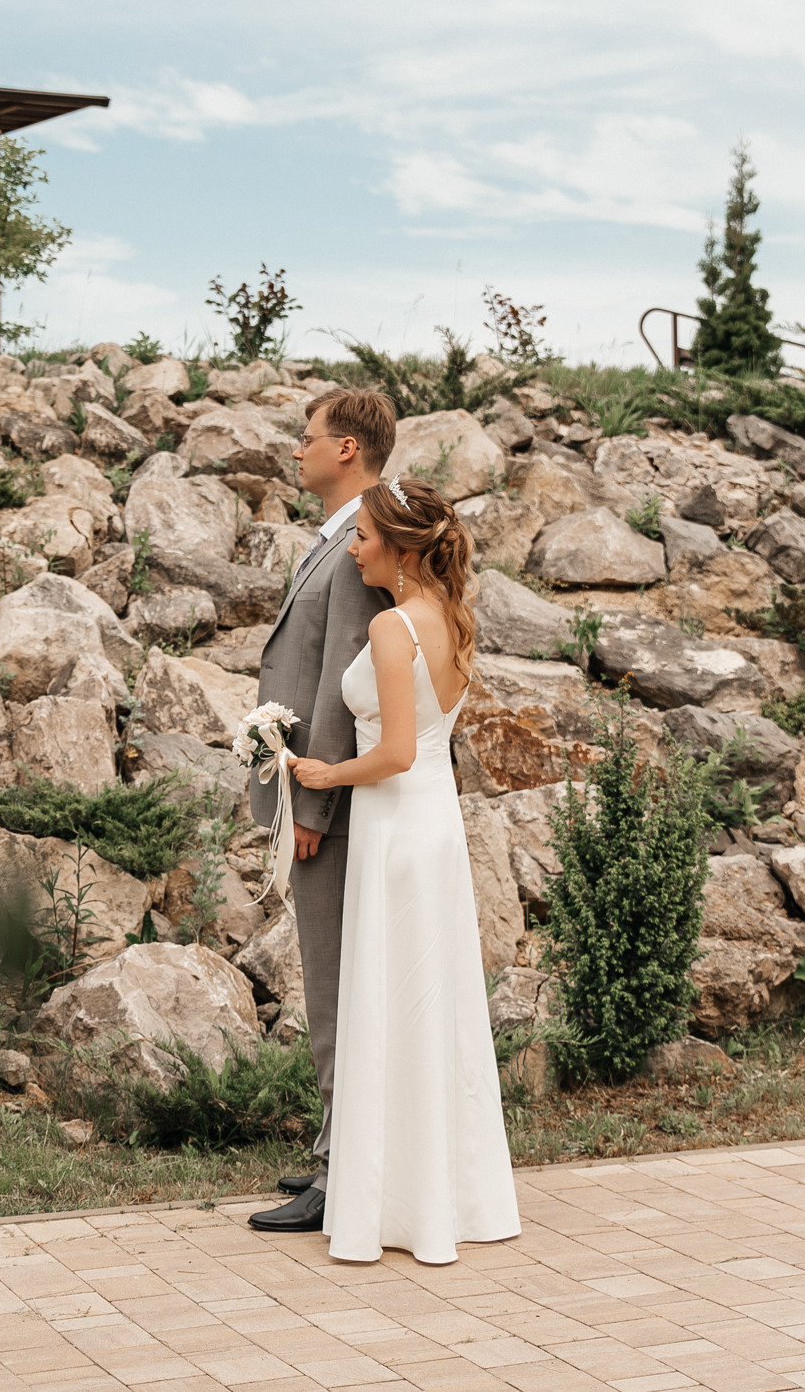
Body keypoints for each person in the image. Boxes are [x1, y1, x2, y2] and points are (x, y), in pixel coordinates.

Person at [288, 474, 520, 1264]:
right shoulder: (450, 618)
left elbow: (388, 752)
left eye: (363, 537)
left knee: (394, 1004)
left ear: (397, 546)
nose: (352, 548)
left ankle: (394, 1201)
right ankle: (442, 1198)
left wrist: (320, 777)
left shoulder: (393, 627)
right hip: (433, 825)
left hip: (395, 828)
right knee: (431, 1008)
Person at [244, 388, 397, 1237]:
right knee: (329, 976)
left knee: (336, 983)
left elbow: (344, 675)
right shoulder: (338, 536)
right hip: (315, 788)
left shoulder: (361, 543)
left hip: (327, 795)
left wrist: (313, 798)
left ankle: (344, 1178)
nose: (294, 450)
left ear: (347, 449)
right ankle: (342, 1144)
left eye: (306, 440)